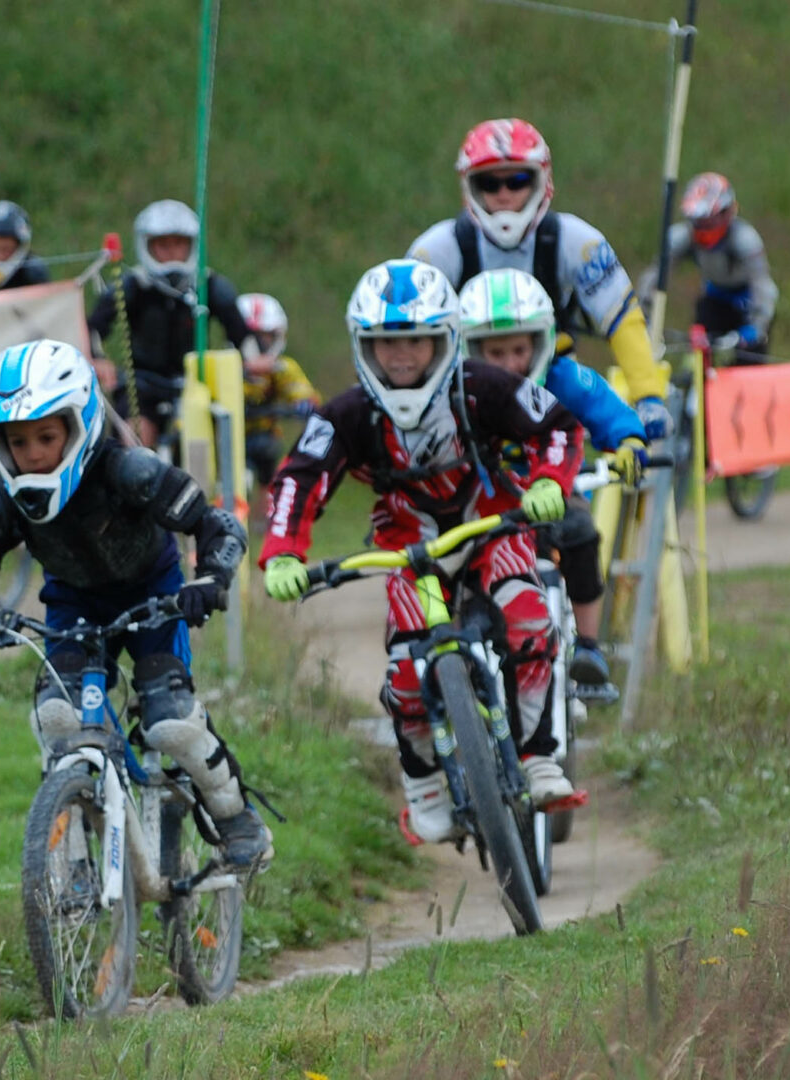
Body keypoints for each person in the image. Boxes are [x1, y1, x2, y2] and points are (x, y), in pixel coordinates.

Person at [259, 260, 584, 845]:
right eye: (385, 343)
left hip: (491, 525)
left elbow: (557, 426)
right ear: (363, 346)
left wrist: (547, 482)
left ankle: (537, 759)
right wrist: (283, 552)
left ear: (445, 339)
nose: (401, 355)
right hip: (407, 546)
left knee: (530, 620)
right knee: (406, 674)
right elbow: (297, 480)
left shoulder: (482, 386)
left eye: (416, 339)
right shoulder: (346, 415)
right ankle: (425, 786)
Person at [0, 339, 273, 870]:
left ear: (79, 424)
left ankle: (236, 818)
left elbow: (217, 525)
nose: (33, 454)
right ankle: (67, 868)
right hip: (73, 604)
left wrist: (208, 577)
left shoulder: (132, 472)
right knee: (57, 718)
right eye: (18, 442)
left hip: (154, 597)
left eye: (47, 437)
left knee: (170, 722)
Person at [407, 118, 671, 444]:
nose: (504, 194)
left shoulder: (578, 241)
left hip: (554, 385)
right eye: (489, 183)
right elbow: (407, 335)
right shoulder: (434, 251)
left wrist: (648, 397)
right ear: (469, 188)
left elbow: (620, 319)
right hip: (468, 397)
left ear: (541, 181)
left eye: (517, 180)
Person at [459, 268, 646, 690]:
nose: (510, 364)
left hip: (558, 491)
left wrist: (630, 443)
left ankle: (589, 647)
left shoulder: (564, 377)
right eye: (495, 352)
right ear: (469, 349)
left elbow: (609, 411)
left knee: (580, 531)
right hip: (486, 502)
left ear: (541, 342)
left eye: (520, 349)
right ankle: (458, 654)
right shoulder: (459, 389)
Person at [87, 199, 257, 448]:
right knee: (133, 440)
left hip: (197, 383)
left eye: (179, 244)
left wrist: (252, 361)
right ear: (147, 246)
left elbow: (241, 334)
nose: (172, 253)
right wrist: (98, 359)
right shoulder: (131, 286)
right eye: (163, 245)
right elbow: (92, 330)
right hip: (141, 384)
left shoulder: (209, 285)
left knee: (215, 443)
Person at [637, 172, 779, 364]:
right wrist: (642, 316)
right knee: (698, 353)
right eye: (698, 222)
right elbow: (655, 277)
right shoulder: (681, 237)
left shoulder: (745, 240)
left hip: (748, 304)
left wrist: (757, 326)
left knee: (750, 361)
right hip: (715, 299)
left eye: (709, 221)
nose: (703, 229)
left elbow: (763, 286)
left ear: (727, 213)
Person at [234, 292, 320, 508]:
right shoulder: (225, 366)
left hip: (264, 436)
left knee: (270, 456)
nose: (262, 345)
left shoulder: (282, 367)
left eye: (267, 337)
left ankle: (265, 515)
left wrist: (304, 402)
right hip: (229, 438)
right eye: (255, 337)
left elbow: (298, 387)